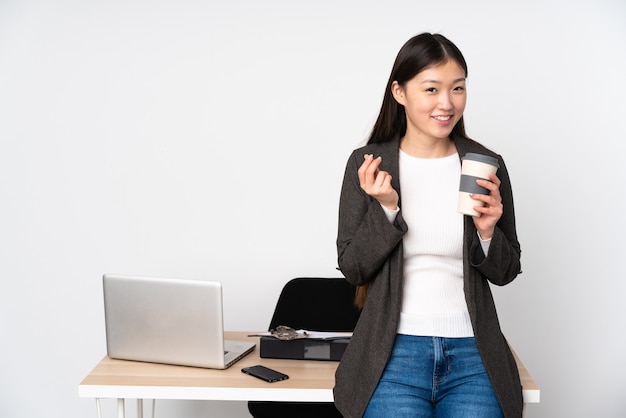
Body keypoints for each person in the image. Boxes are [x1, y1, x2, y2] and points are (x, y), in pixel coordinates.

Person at [334, 33, 523, 418]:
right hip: (392, 354)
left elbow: (506, 271)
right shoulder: (369, 164)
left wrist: (488, 232)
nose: (447, 103)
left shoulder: (484, 164)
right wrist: (386, 209)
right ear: (399, 92)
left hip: (474, 356)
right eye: (432, 89)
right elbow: (353, 268)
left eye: (457, 88)